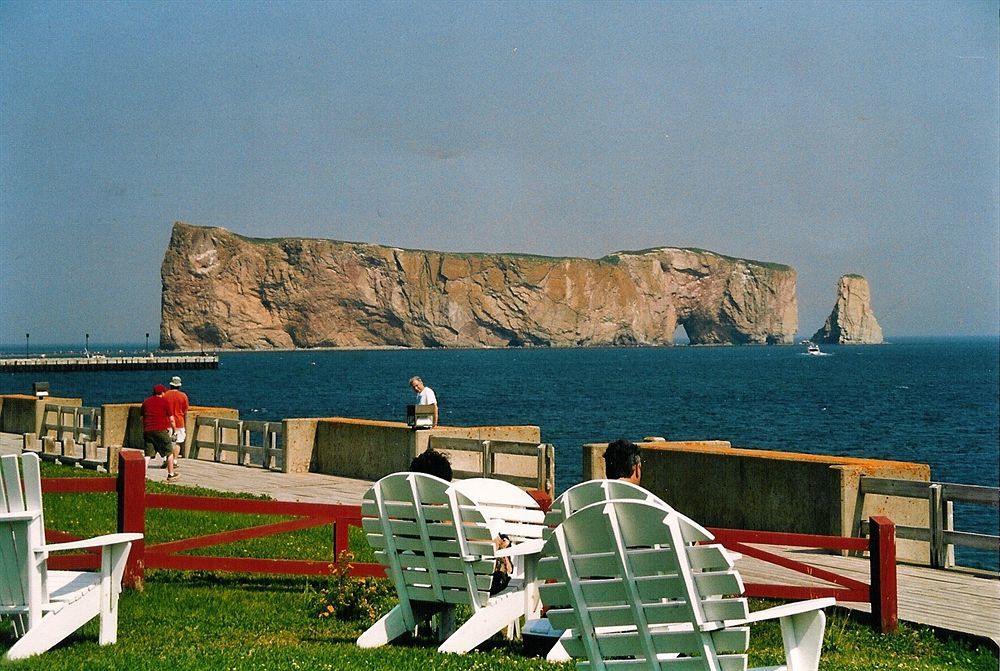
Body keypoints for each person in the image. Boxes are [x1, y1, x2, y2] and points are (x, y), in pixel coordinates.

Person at [142, 384, 178, 481]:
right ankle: (171, 474)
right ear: (162, 393)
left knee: (147, 455)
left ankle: (143, 475)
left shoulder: (146, 402)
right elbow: (171, 419)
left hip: (148, 430)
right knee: (169, 451)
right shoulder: (165, 402)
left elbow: (142, 417)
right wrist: (174, 430)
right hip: (161, 429)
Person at [163, 375, 190, 466]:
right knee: (177, 442)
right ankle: (174, 460)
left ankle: (166, 460)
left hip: (166, 421)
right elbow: (185, 409)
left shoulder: (165, 395)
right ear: (179, 386)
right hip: (179, 421)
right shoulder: (183, 396)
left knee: (166, 441)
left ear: (170, 385)